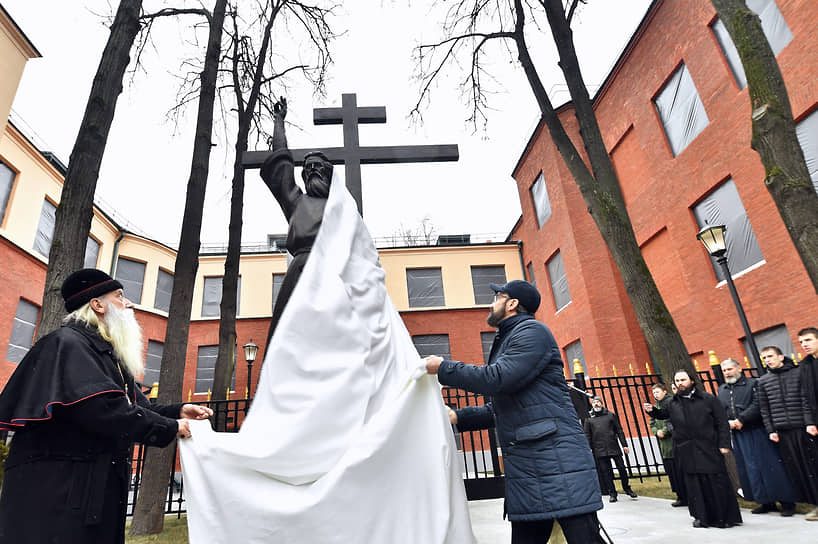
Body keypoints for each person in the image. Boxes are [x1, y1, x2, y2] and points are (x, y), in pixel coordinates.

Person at [0, 269, 213, 544]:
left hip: (87, 494)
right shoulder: (68, 343)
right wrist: (172, 428)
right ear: (97, 305)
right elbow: (102, 410)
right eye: (120, 296)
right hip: (57, 495)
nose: (129, 304)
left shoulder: (104, 353)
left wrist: (178, 411)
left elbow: (136, 407)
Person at [425, 280, 604, 544]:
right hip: (531, 469)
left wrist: (443, 368)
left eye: (497, 297)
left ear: (512, 303)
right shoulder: (510, 337)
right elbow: (507, 406)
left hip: (557, 466)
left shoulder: (532, 332)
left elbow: (497, 378)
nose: (491, 303)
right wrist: (458, 417)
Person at [259, 96, 333, 346]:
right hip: (299, 273)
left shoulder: (342, 208)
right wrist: (279, 122)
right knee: (288, 339)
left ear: (329, 174)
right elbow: (282, 167)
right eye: (308, 167)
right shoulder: (297, 202)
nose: (312, 170)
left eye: (318, 167)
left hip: (332, 274)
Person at [644, 369, 742, 528]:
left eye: (683, 379)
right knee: (695, 485)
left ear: (691, 380)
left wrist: (724, 444)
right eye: (677, 381)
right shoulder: (673, 402)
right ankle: (701, 517)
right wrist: (652, 411)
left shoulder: (708, 399)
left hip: (708, 447)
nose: (680, 383)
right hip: (686, 449)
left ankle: (723, 517)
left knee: (715, 482)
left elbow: (722, 423)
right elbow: (663, 415)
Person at [717, 358, 797, 516]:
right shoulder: (723, 389)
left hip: (757, 430)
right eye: (724, 370)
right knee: (750, 468)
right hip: (739, 434)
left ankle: (787, 502)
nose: (727, 373)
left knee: (770, 466)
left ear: (739, 369)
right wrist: (729, 423)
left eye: (730, 369)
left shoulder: (753, 384)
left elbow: (758, 404)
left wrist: (742, 419)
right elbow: (722, 409)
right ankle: (765, 502)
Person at [757, 345, 818, 521]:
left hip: (803, 428)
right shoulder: (763, 381)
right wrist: (771, 430)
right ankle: (814, 503)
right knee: (798, 470)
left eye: (770, 356)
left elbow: (806, 399)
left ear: (781, 357)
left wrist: (809, 422)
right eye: (764, 358)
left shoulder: (799, 373)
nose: (768, 360)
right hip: (782, 432)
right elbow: (764, 409)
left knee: (813, 467)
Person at [583, 396, 637, 502]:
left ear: (602, 403)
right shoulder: (588, 419)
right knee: (606, 472)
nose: (596, 404)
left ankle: (627, 488)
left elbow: (619, 430)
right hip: (599, 449)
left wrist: (624, 444)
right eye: (594, 402)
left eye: (598, 402)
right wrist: (589, 448)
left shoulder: (610, 415)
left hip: (613, 446)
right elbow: (587, 435)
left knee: (622, 468)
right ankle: (612, 493)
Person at [649, 382, 687, 507]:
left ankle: (686, 495)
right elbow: (652, 423)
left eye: (658, 391)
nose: (655, 394)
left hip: (673, 441)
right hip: (664, 445)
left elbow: (669, 420)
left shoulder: (670, 402)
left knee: (679, 470)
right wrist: (656, 432)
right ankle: (679, 495)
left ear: (665, 391)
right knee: (672, 472)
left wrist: (664, 431)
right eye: (654, 392)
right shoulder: (655, 406)